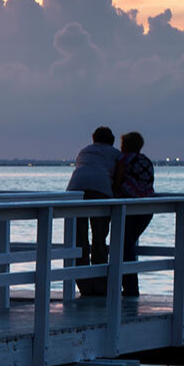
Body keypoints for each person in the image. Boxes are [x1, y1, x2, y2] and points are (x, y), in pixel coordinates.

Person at [66, 125, 120, 296]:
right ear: (111, 141)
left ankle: (83, 284)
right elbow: (118, 176)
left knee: (79, 238)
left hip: (75, 191)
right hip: (101, 191)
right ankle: (100, 283)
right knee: (99, 236)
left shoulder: (84, 151)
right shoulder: (115, 154)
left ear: (93, 138)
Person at [114, 130, 156, 297]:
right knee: (128, 245)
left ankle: (130, 288)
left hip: (129, 206)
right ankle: (130, 287)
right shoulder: (147, 161)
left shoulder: (125, 159)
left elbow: (117, 180)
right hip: (147, 208)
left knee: (125, 247)